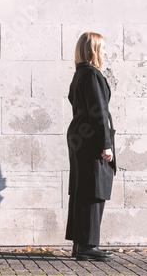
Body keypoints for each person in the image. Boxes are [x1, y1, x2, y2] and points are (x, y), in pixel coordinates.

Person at [65, 32, 116, 262]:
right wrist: (105, 145)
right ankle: (87, 245)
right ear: (93, 49)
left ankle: (80, 244)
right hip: (91, 137)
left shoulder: (80, 74)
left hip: (79, 136)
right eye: (102, 47)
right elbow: (99, 112)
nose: (105, 51)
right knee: (94, 188)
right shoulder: (92, 75)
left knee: (82, 187)